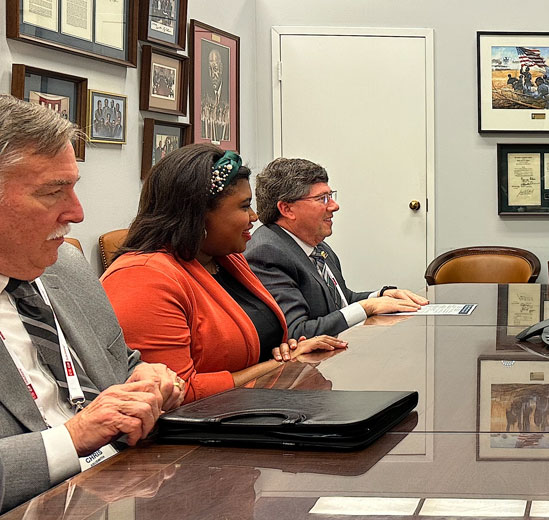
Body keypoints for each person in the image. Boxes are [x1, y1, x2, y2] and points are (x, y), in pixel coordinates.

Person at [0, 96, 183, 512]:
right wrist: (73, 437)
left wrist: (150, 380)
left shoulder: (66, 266)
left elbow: (124, 367)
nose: (78, 213)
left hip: (125, 493)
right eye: (53, 192)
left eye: (74, 187)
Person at [101, 145, 346, 403]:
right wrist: (279, 365)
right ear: (198, 214)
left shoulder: (226, 258)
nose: (255, 216)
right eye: (244, 206)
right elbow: (179, 394)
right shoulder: (142, 279)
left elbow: (270, 342)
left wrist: (285, 352)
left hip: (262, 407)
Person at [245, 157, 428, 339]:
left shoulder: (316, 246)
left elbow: (340, 301)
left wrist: (381, 295)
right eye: (322, 199)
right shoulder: (267, 253)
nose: (334, 206)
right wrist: (367, 307)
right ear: (287, 209)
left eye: (330, 196)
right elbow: (298, 332)